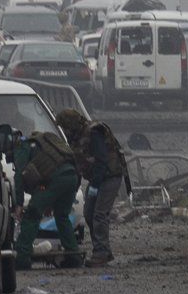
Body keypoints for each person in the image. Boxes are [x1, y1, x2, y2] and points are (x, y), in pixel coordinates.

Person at [58, 108, 127, 268]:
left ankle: (101, 253)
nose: (65, 131)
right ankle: (103, 250)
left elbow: (101, 160)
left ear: (71, 124)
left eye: (65, 127)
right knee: (89, 213)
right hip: (97, 178)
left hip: (110, 176)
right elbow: (78, 165)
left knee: (99, 214)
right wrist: (74, 189)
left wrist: (95, 186)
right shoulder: (76, 138)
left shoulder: (94, 133)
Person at [12, 122, 83, 270]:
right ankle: (74, 257)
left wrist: (18, 204)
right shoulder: (47, 143)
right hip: (72, 177)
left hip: (55, 179)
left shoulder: (23, 146)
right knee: (62, 216)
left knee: (32, 214)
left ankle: (22, 258)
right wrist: (50, 201)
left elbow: (20, 175)